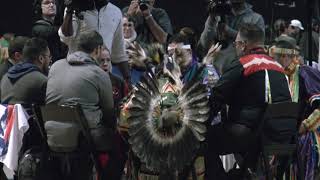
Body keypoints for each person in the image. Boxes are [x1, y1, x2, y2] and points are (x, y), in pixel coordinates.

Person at [206, 24, 292, 179]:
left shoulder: (243, 64)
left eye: (236, 43)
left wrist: (202, 124)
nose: (235, 47)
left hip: (250, 136)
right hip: (280, 139)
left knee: (206, 138)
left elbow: (216, 97)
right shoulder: (279, 68)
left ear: (243, 45)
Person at [46, 31, 115, 180]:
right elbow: (109, 112)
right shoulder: (98, 73)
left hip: (51, 136)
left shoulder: (55, 67)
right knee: (120, 143)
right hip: (82, 139)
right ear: (97, 49)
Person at [270, 35, 320, 179]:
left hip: (308, 135)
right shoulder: (281, 78)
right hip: (288, 137)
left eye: (277, 58)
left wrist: (305, 125)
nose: (275, 62)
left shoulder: (305, 73)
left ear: (286, 56)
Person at [59, 0, 131, 84]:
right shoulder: (76, 7)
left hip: (104, 75)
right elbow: (66, 37)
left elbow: (119, 53)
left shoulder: (116, 12)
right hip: (78, 74)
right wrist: (69, 11)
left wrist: (128, 80)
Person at [198, 0, 265, 73]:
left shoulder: (255, 18)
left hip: (243, 71)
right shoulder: (218, 14)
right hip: (217, 71)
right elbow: (205, 43)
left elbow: (257, 46)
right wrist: (211, 19)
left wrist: (228, 31)